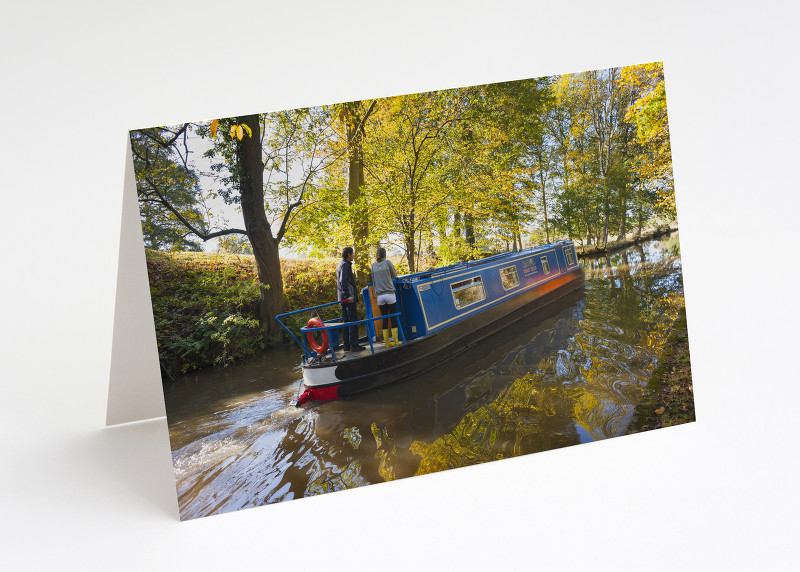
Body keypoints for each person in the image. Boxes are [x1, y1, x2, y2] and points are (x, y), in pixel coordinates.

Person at [370, 247, 401, 347]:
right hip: (389, 294)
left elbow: (374, 280)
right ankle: (396, 341)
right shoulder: (387, 263)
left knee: (384, 319)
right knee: (392, 317)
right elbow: (395, 276)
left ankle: (387, 343)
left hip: (380, 297)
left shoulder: (373, 266)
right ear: (385, 255)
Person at [337, 246, 364, 352]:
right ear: (349, 255)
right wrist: (348, 296)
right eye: (352, 254)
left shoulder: (341, 264)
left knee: (346, 322)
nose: (353, 255)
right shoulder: (345, 265)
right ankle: (354, 346)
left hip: (343, 299)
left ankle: (347, 346)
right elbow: (343, 281)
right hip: (348, 299)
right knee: (352, 321)